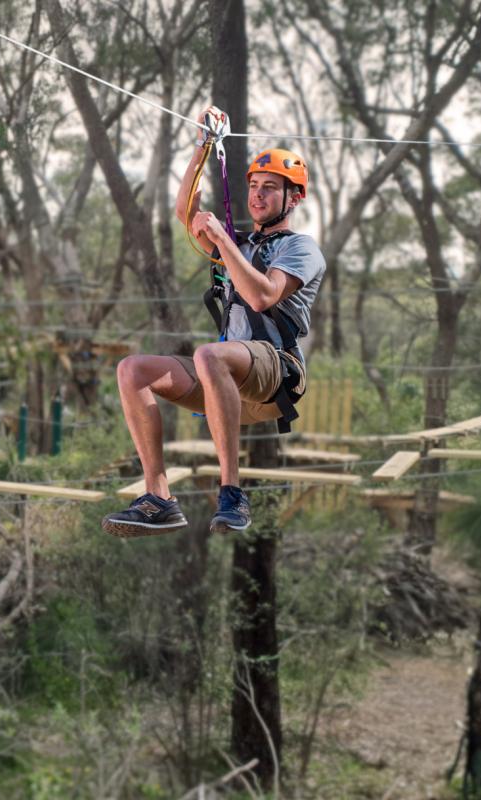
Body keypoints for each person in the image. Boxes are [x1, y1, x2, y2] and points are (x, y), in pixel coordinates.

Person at [101, 116, 326, 538]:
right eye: (254, 186)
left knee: (208, 354)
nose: (258, 195)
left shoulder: (301, 248)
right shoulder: (238, 242)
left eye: (270, 188)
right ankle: (159, 498)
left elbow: (262, 296)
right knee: (132, 369)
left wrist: (223, 241)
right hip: (225, 379)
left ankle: (232, 493)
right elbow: (185, 212)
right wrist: (204, 145)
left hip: (276, 371)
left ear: (293, 199)